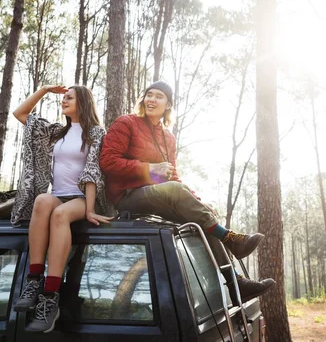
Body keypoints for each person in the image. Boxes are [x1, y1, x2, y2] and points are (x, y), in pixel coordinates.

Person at [99, 80, 274, 303]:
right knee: (183, 198)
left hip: (159, 197)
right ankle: (229, 237)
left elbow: (173, 178)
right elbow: (108, 161)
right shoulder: (126, 123)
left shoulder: (168, 138)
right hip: (127, 196)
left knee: (203, 218)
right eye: (149, 95)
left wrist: (197, 202)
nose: (151, 99)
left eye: (158, 96)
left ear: (168, 104)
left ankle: (235, 283)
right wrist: (149, 169)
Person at [11, 84, 113, 333]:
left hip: (83, 196)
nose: (64, 100)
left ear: (84, 102)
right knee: (42, 201)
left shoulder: (96, 132)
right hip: (58, 195)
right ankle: (35, 280)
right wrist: (44, 90)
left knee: (60, 215)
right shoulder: (56, 132)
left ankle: (50, 296)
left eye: (69, 98)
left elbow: (92, 172)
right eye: (63, 97)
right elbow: (20, 114)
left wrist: (89, 210)